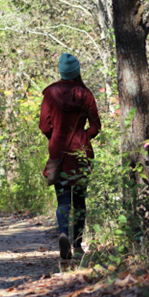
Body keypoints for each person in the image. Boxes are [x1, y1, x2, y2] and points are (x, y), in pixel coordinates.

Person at [39, 53, 101, 260]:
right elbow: (95, 127)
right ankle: (78, 246)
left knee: (63, 199)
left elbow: (44, 126)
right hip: (81, 151)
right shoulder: (86, 94)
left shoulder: (49, 93)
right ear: (77, 71)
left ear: (61, 71)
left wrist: (55, 136)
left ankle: (63, 233)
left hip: (58, 150)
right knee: (80, 199)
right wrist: (83, 137)